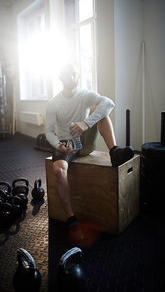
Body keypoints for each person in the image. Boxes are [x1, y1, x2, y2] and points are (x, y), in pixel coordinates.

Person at [45, 62, 134, 229]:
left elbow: (109, 103)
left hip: (85, 142)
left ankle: (114, 151)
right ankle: (71, 217)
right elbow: (49, 131)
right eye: (68, 74)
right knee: (58, 171)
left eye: (74, 74)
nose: (72, 77)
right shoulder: (53, 103)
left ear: (78, 76)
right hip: (66, 144)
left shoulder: (84, 95)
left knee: (100, 109)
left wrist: (86, 123)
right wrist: (58, 145)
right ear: (60, 78)